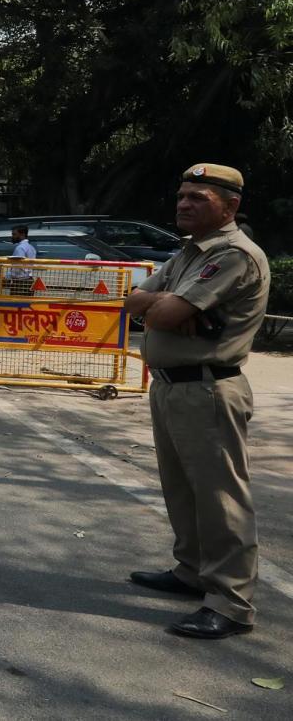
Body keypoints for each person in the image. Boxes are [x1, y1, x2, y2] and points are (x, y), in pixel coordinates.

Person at [124, 163, 269, 639]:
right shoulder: (190, 252)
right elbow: (135, 300)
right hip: (171, 385)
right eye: (183, 194)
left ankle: (230, 601)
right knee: (182, 488)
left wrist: (166, 306)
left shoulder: (233, 255)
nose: (184, 203)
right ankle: (191, 571)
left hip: (209, 387)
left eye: (199, 198)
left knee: (220, 496)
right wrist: (162, 305)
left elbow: (165, 309)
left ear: (230, 206)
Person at [5, 224, 37, 293]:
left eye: (14, 234)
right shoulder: (31, 247)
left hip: (20, 283)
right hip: (28, 280)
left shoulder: (20, 248)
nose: (12, 237)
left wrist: (7, 276)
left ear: (22, 234)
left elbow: (17, 267)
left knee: (16, 303)